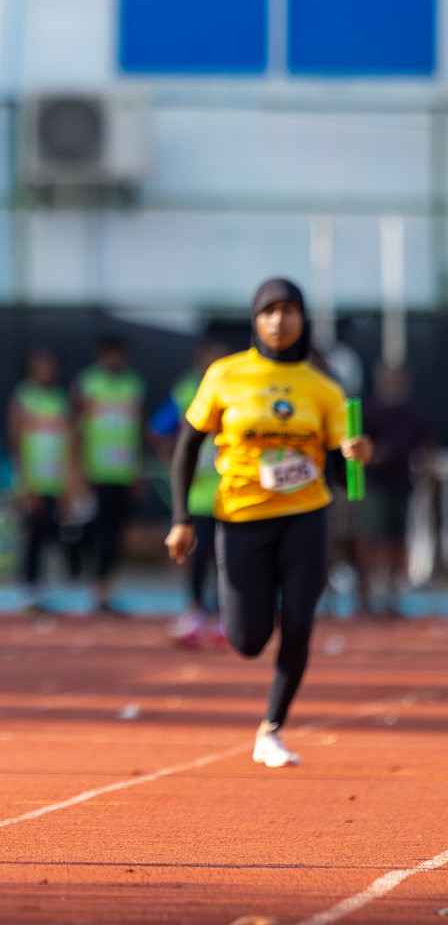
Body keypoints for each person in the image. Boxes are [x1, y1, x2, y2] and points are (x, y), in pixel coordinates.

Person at [166, 278, 372, 768]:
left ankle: (272, 729)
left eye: (289, 311)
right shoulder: (225, 375)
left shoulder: (324, 387)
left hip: (305, 516)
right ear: (255, 320)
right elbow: (187, 446)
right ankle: (260, 610)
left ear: (303, 319)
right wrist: (181, 519)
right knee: (248, 640)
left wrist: (357, 453)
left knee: (299, 623)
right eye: (269, 311)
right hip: (241, 517)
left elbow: (344, 464)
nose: (279, 320)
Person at [150, 337, 233, 646]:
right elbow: (157, 428)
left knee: (229, 557)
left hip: (232, 490)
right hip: (197, 493)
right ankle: (196, 612)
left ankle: (226, 615)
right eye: (208, 359)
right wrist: (174, 463)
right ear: (198, 362)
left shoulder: (239, 390)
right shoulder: (185, 391)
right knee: (197, 555)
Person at [72, 336, 145, 615]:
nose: (115, 361)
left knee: (116, 533)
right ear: (101, 356)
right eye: (110, 355)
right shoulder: (87, 383)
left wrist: (138, 468)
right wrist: (77, 470)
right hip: (95, 472)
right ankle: (96, 586)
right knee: (94, 531)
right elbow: (74, 427)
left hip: (123, 473)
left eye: (119, 355)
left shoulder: (133, 384)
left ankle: (105, 586)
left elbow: (137, 428)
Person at [357, 365, 434, 617]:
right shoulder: (370, 411)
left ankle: (392, 595)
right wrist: (373, 457)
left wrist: (423, 469)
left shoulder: (413, 413)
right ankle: (367, 596)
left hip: (402, 485)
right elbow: (356, 445)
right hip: (375, 486)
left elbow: (426, 446)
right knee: (372, 539)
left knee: (397, 541)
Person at [9, 348, 73, 612]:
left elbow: (68, 441)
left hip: (55, 480)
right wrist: (25, 483)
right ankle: (29, 590)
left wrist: (69, 482)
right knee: (34, 534)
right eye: (40, 367)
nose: (46, 372)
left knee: (51, 534)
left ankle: (43, 589)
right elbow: (16, 442)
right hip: (34, 480)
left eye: (50, 366)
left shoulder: (60, 399)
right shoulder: (23, 397)